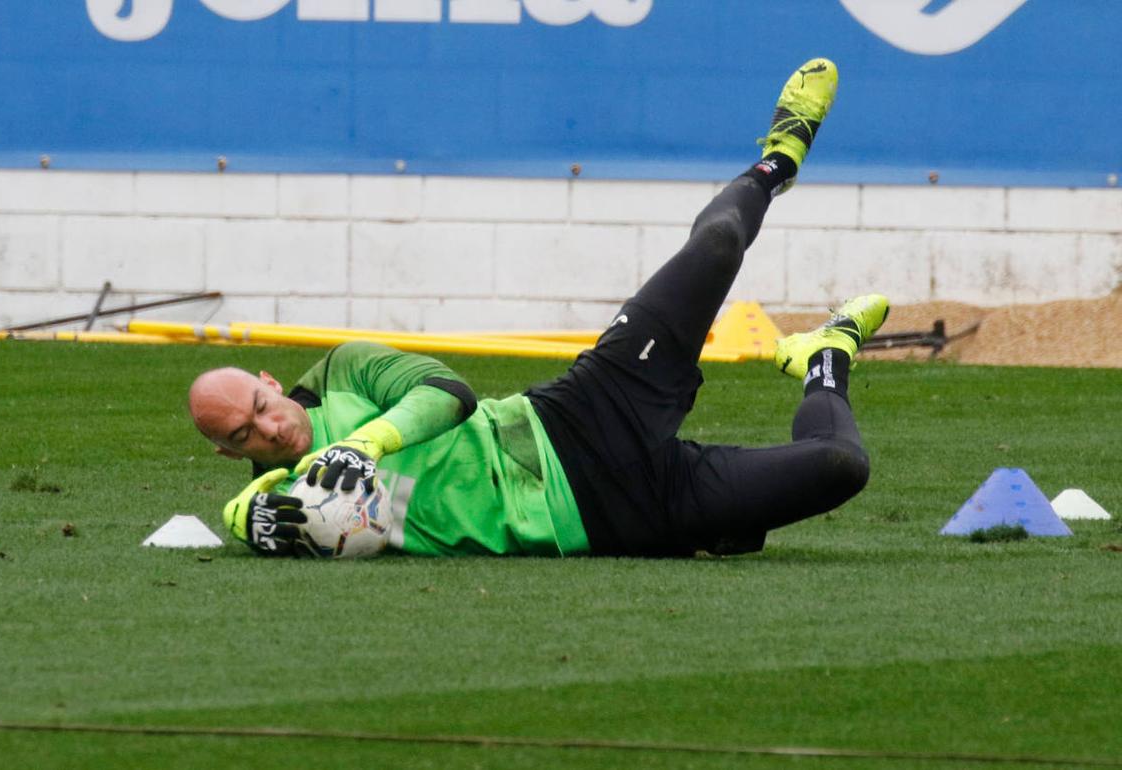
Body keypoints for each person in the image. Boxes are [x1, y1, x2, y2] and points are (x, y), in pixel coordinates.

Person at [188, 57, 890, 558]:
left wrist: (363, 443)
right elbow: (243, 517)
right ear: (229, 452)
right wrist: (243, 516)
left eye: (258, 404)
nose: (268, 429)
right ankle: (825, 358)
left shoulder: (343, 373)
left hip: (577, 417)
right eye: (245, 434)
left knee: (717, 245)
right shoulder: (286, 495)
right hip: (622, 519)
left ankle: (778, 158)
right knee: (837, 467)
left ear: (270, 383)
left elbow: (449, 394)